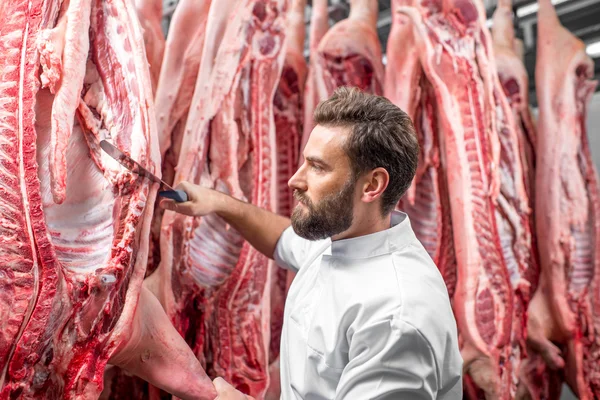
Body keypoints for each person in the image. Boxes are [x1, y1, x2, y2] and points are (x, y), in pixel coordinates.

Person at [160, 86, 463, 399]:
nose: (295, 180)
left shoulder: (395, 317)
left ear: (372, 185)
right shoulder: (345, 236)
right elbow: (281, 239)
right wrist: (220, 203)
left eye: (318, 167)